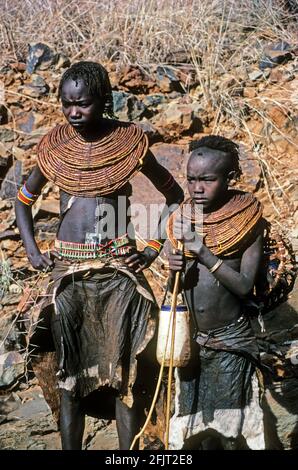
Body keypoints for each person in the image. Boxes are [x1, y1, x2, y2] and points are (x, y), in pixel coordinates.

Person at [15, 61, 184, 450]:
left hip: (119, 272)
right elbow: (23, 201)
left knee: (124, 371)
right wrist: (31, 249)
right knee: (68, 371)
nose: (74, 112)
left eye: (83, 104)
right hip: (68, 273)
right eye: (67, 104)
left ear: (105, 101)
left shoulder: (129, 144)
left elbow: (174, 196)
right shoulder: (55, 150)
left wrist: (153, 248)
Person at [166, 135, 265, 450]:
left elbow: (244, 284)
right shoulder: (184, 220)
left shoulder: (248, 223)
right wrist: (173, 268)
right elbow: (174, 291)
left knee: (230, 430)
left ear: (230, 178)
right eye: (191, 179)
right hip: (193, 343)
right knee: (198, 430)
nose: (197, 187)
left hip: (230, 341)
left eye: (207, 180)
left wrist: (203, 252)